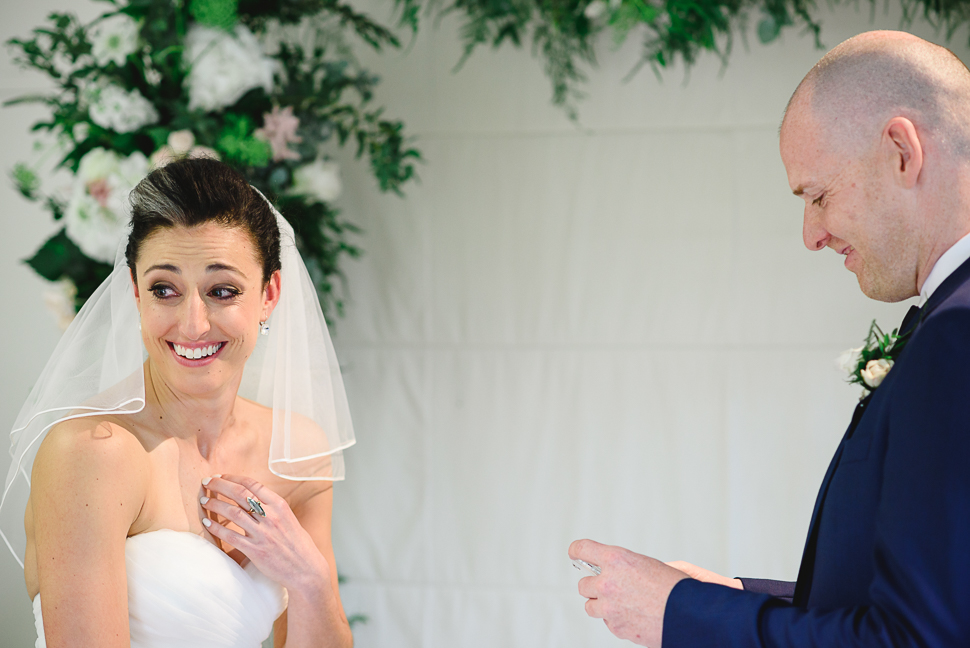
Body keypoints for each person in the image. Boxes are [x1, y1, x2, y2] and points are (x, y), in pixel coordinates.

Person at [569, 30, 970, 646]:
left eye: (818, 195)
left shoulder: (956, 335)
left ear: (901, 151)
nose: (812, 234)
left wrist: (682, 616)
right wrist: (724, 599)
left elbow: (916, 638)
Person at [0, 158, 356, 647]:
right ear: (135, 291)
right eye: (164, 289)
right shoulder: (93, 453)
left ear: (269, 293)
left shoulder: (297, 452)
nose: (193, 324)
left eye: (222, 290)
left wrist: (310, 580)